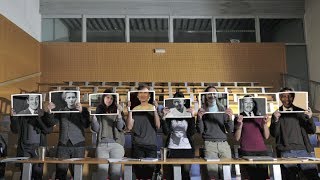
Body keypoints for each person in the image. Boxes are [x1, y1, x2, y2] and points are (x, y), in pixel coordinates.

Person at [270, 87, 319, 180]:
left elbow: (312, 130)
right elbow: (274, 134)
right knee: (290, 177)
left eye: (289, 96)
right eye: (284, 96)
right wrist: (276, 120)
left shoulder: (301, 111)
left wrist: (310, 118)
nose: (287, 99)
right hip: (286, 151)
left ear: (293, 97)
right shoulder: (276, 114)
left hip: (304, 150)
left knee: (313, 176)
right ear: (280, 98)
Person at [49, 91, 90, 180]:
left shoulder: (84, 110)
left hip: (79, 145)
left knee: (77, 174)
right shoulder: (60, 110)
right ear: (65, 100)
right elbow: (51, 123)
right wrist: (50, 111)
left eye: (73, 97)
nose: (71, 100)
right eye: (68, 98)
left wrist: (81, 112)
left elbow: (86, 125)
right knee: (60, 174)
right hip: (63, 145)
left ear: (76, 98)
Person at [11, 96, 54, 180]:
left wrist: (38, 118)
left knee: (38, 174)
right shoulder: (21, 113)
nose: (34, 101)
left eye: (36, 99)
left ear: (39, 100)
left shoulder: (43, 114)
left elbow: (48, 130)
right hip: (24, 149)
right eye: (31, 99)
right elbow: (15, 130)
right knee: (25, 174)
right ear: (27, 101)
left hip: (39, 149)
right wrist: (14, 117)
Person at [196, 86, 234, 179]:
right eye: (209, 94)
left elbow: (229, 130)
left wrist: (230, 118)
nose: (212, 96)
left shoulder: (222, 109)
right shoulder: (202, 110)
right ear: (205, 96)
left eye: (214, 94)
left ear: (217, 96)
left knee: (226, 175)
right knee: (213, 175)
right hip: (209, 145)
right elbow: (200, 131)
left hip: (224, 144)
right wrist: (199, 118)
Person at [126, 83, 161, 179]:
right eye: (141, 93)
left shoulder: (153, 109)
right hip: (138, 145)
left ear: (149, 96)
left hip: (151, 145)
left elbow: (158, 125)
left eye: (146, 93)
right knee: (139, 175)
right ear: (137, 96)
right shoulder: (134, 110)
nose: (143, 95)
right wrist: (129, 110)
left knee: (149, 174)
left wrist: (155, 110)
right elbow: (129, 127)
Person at [91, 89, 125, 180]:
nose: (109, 100)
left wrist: (119, 115)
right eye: (107, 97)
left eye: (111, 98)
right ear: (103, 98)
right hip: (102, 145)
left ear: (114, 100)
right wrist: (94, 118)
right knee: (101, 175)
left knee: (115, 174)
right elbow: (96, 129)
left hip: (116, 145)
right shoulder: (99, 109)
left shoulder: (118, 109)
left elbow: (120, 127)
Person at [234, 95, 270, 180]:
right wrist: (239, 125)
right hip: (246, 151)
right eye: (246, 102)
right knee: (249, 177)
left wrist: (265, 124)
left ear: (253, 104)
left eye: (251, 102)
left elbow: (267, 136)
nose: (249, 105)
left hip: (262, 151)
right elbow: (236, 138)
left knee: (263, 177)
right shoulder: (239, 118)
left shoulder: (260, 116)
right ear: (242, 104)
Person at [161, 91, 195, 180]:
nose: (178, 103)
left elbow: (192, 132)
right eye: (176, 101)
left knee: (186, 175)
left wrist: (192, 117)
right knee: (172, 175)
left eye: (180, 101)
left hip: (187, 149)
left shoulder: (188, 113)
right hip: (172, 148)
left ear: (184, 102)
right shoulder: (170, 114)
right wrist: (163, 118)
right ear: (173, 102)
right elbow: (166, 132)